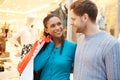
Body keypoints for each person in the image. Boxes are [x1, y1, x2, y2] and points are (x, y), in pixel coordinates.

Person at [70, 0, 120, 80]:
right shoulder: (80, 39)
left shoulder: (111, 44)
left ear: (85, 17)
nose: (71, 23)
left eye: (74, 19)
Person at [34, 14, 77, 80]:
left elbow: (81, 69)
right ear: (46, 30)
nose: (57, 28)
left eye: (59, 24)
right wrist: (50, 44)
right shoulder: (42, 47)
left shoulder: (72, 47)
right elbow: (36, 66)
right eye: (53, 26)